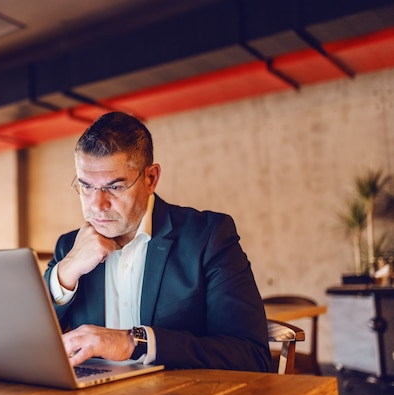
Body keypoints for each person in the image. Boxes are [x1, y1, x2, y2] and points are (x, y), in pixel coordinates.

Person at [45, 111, 271, 372]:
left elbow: (250, 355)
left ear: (150, 178)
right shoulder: (68, 247)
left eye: (115, 187)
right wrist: (66, 270)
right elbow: (24, 344)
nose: (97, 205)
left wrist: (134, 343)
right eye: (86, 186)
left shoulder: (208, 237)